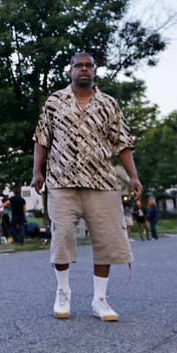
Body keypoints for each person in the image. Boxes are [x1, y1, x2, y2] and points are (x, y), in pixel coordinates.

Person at [31, 51, 142, 322]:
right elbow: (42, 138)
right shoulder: (55, 102)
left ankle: (100, 300)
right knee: (62, 235)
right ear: (70, 71)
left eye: (88, 66)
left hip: (101, 183)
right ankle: (63, 292)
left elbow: (122, 142)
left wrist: (134, 177)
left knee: (106, 239)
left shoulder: (109, 104)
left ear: (95, 71)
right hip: (61, 181)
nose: (83, 69)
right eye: (78, 65)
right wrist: (36, 171)